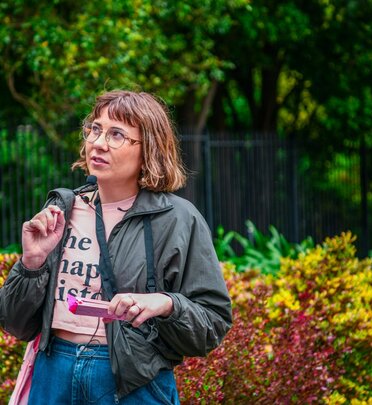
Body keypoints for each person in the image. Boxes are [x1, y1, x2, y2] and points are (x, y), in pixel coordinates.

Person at [0, 90, 232, 404]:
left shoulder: (176, 219)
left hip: (132, 381)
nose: (98, 142)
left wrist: (164, 304)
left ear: (148, 148)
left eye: (117, 134)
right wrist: (32, 263)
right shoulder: (61, 211)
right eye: (95, 129)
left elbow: (212, 322)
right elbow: (15, 322)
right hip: (53, 372)